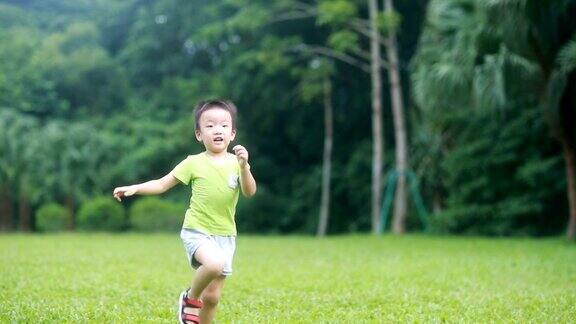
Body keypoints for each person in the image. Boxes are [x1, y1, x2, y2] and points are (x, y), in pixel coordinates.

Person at [112, 99, 257, 324]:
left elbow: (249, 192)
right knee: (214, 264)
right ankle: (189, 298)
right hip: (197, 231)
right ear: (199, 135)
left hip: (225, 235)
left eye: (223, 125)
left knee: (213, 297)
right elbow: (162, 184)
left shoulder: (237, 163)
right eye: (209, 125)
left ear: (232, 133)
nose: (217, 129)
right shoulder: (193, 163)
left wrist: (245, 166)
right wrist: (135, 188)